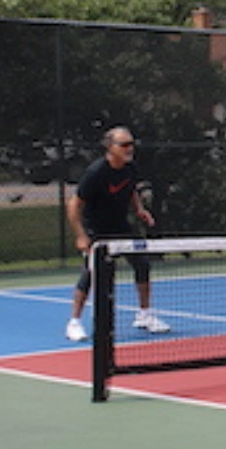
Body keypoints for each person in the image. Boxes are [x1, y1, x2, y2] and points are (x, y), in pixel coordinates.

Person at [65, 126, 169, 341]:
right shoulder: (96, 173)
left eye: (131, 144)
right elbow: (73, 204)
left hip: (121, 227)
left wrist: (139, 209)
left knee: (142, 264)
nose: (129, 148)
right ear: (110, 148)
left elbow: (130, 189)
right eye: (124, 145)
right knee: (91, 274)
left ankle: (144, 315)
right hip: (97, 230)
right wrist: (81, 235)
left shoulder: (130, 168)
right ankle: (74, 322)